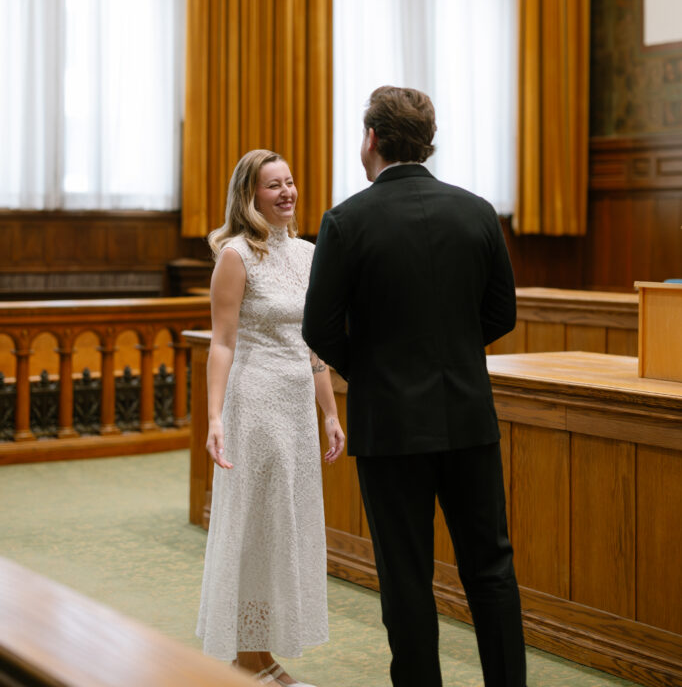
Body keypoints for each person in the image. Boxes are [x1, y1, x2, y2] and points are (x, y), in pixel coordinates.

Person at [302, 86, 527, 687]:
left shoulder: (345, 221)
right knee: (492, 571)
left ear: (371, 139)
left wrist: (377, 371)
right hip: (468, 418)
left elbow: (318, 327)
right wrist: (450, 352)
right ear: (427, 142)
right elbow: (501, 313)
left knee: (406, 575)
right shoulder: (477, 210)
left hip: (390, 426)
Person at [197, 149, 345, 686]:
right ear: (250, 195)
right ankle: (247, 660)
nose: (286, 193)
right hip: (254, 403)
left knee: (284, 527)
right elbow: (221, 345)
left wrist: (329, 412)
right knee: (255, 530)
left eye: (290, 183)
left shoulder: (308, 254)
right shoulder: (235, 256)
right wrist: (214, 418)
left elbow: (313, 345)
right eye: (272, 186)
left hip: (296, 407)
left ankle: (259, 657)